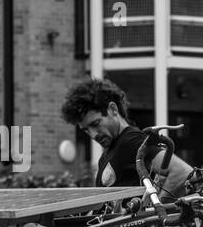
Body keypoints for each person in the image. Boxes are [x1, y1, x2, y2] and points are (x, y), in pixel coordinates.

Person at [60, 77, 193, 200]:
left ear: (112, 109)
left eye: (96, 124)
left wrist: (154, 213)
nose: (93, 134)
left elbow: (181, 173)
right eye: (86, 130)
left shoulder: (131, 140)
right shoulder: (107, 154)